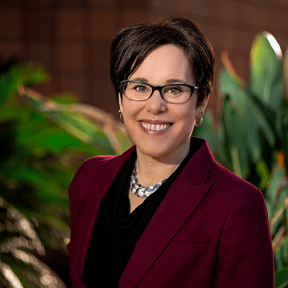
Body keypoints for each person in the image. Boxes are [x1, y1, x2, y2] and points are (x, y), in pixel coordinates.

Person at [67, 18, 274, 288]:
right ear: (120, 98)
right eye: (139, 87)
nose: (155, 106)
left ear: (200, 104)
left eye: (174, 89)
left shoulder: (237, 204)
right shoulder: (90, 177)